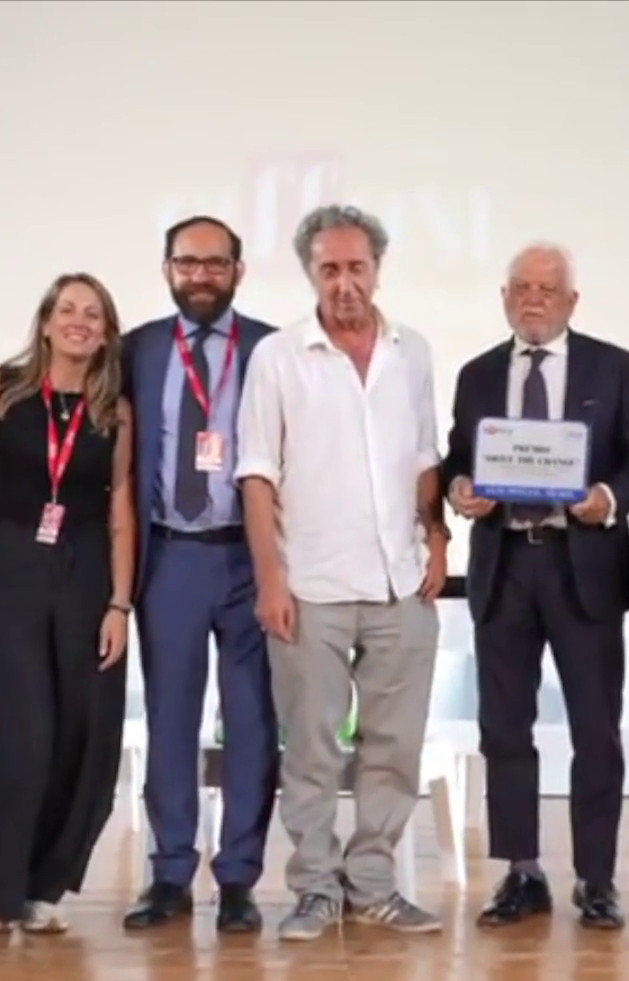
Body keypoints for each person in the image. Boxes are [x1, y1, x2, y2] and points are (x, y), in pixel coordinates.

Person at [235, 204, 447, 941]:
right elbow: (256, 476)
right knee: (313, 749)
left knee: (395, 748)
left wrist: (438, 538)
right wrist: (270, 580)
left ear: (377, 269)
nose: (345, 282)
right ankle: (316, 889)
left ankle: (375, 885)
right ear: (310, 274)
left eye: (357, 267)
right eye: (330, 269)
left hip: (400, 583)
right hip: (310, 586)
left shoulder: (412, 352)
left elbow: (424, 457)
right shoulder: (278, 357)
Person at [442, 241, 629, 931]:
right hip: (504, 565)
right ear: (504, 298)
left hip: (581, 563)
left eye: (547, 290)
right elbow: (459, 457)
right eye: (521, 288)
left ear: (571, 301)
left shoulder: (613, 367)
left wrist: (607, 500)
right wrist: (459, 488)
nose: (533, 300)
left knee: (596, 729)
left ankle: (597, 877)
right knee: (504, 727)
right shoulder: (476, 375)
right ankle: (521, 871)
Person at [0, 273, 135, 935]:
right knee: (22, 727)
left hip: (85, 573)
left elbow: (119, 509)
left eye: (94, 313)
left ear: (106, 332)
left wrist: (119, 605)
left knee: (81, 729)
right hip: (11, 567)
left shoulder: (115, 409)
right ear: (47, 321)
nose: (80, 321)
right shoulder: (3, 389)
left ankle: (42, 884)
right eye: (68, 310)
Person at [120, 216, 280, 935]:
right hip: (170, 556)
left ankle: (239, 878)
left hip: (251, 556)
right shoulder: (137, 350)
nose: (202, 276)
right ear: (167, 270)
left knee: (251, 722)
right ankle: (170, 873)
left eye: (216, 264)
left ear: (238, 272)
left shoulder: (273, 349)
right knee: (171, 719)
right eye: (188, 263)